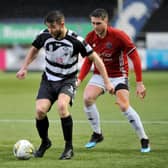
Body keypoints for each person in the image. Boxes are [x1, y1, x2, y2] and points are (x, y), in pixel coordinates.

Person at [16, 10, 113, 160]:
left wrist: (107, 82)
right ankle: (45, 142)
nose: (50, 30)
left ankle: (69, 147)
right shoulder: (44, 35)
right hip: (48, 79)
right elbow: (34, 49)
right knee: (40, 111)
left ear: (62, 24)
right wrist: (24, 67)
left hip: (67, 80)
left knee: (62, 107)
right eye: (48, 27)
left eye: (53, 27)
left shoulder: (76, 40)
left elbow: (97, 60)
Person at [77, 8, 150, 153]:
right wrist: (79, 79)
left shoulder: (119, 36)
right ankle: (97, 134)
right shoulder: (91, 37)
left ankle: (143, 138)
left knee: (123, 106)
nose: (95, 27)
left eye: (98, 23)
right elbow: (88, 61)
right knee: (87, 98)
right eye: (93, 23)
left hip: (119, 75)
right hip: (99, 76)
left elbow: (135, 57)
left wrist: (140, 83)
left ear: (106, 21)